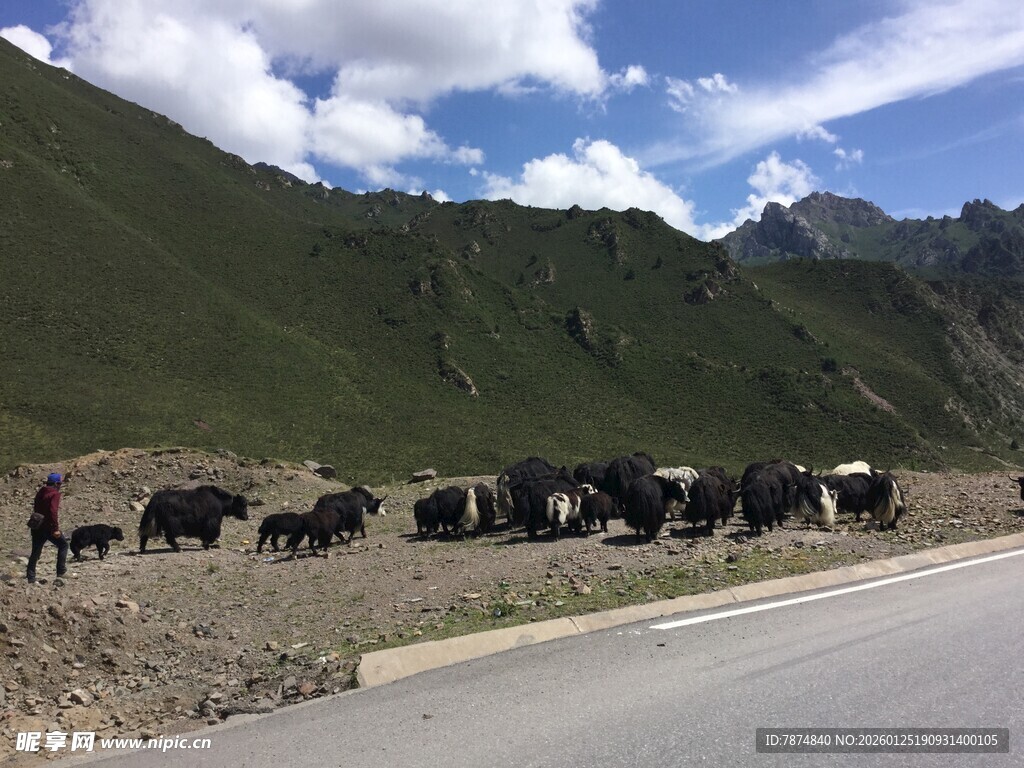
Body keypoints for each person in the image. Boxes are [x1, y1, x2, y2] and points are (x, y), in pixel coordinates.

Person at [27, 472, 69, 584]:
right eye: (59, 483)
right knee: (63, 545)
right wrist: (55, 528)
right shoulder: (54, 494)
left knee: (35, 551)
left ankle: (31, 577)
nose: (60, 485)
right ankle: (61, 571)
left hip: (36, 525)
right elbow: (53, 511)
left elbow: (36, 507)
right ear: (56, 483)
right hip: (48, 527)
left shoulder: (41, 491)